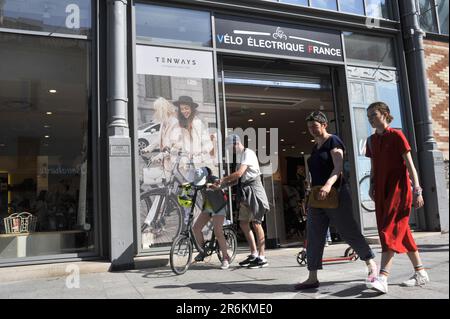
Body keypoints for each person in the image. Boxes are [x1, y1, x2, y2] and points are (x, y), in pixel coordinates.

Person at [295, 111, 377, 290]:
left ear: (324, 125)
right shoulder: (315, 147)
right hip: (317, 196)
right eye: (309, 127)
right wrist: (311, 183)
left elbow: (338, 166)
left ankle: (370, 263)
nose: (312, 130)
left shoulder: (334, 141)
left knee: (348, 231)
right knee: (314, 234)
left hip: (336, 193)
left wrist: (327, 185)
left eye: (315, 126)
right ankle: (312, 276)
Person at [366, 102, 429, 294]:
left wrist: (417, 189)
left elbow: (410, 165)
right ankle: (421, 273)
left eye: (374, 114)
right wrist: (371, 184)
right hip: (381, 190)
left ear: (385, 114)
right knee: (403, 231)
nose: (370, 118)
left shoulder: (397, 135)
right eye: (368, 116)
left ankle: (383, 277)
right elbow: (374, 166)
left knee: (389, 230)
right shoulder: (371, 140)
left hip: (399, 190)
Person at [219, 134, 270, 269]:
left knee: (257, 223)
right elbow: (237, 180)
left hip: (254, 189)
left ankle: (262, 256)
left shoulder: (248, 153)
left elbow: (239, 174)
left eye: (230, 146)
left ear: (236, 143)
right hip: (245, 191)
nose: (230, 150)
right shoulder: (240, 158)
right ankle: (253, 253)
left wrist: (222, 180)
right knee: (243, 223)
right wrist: (220, 186)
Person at [192, 167, 231, 270]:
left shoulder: (214, 179)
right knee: (196, 228)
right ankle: (202, 251)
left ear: (207, 176)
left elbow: (225, 184)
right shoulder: (198, 181)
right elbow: (191, 185)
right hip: (208, 206)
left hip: (219, 206)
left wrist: (216, 186)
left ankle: (225, 257)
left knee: (218, 231)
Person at [173, 95, 214, 170]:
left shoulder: (197, 123)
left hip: (202, 163)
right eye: (182, 109)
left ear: (191, 109)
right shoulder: (182, 124)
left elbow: (209, 144)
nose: (184, 111)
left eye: (186, 108)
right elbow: (182, 144)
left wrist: (199, 151)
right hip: (189, 163)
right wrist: (175, 147)